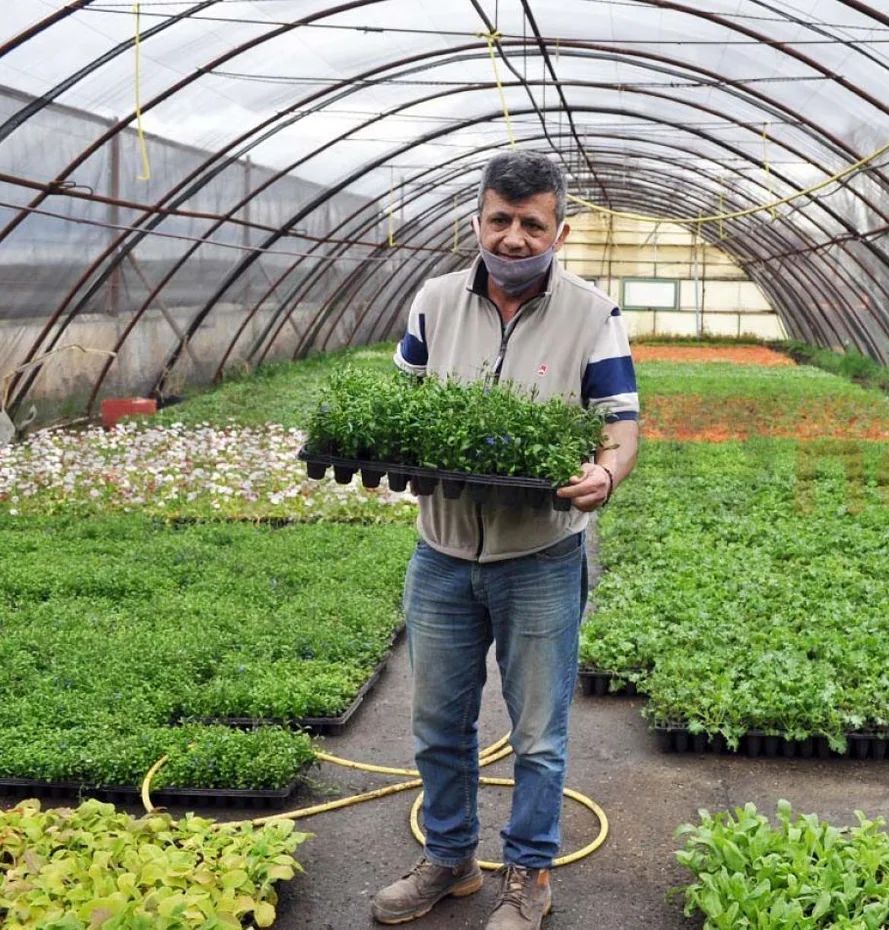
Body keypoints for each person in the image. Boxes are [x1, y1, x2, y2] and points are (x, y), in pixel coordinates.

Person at [372, 150, 640, 929]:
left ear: (559, 228)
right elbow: (400, 406)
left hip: (541, 559)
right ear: (478, 220)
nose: (514, 238)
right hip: (442, 552)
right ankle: (450, 860)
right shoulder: (432, 300)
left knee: (538, 733)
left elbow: (620, 425)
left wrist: (607, 474)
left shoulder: (593, 312)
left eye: (532, 224)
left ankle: (529, 873)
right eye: (500, 220)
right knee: (436, 722)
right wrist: (387, 452)